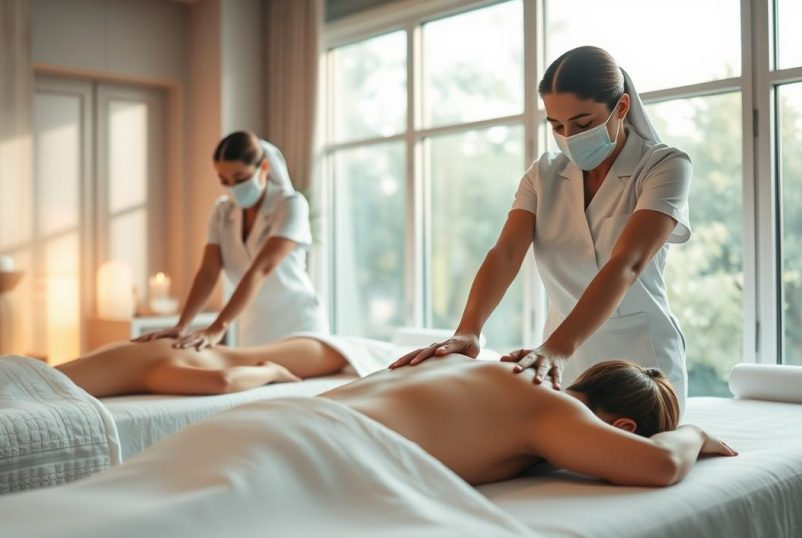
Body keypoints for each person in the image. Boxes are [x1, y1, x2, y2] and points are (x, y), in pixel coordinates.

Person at [391, 46, 693, 405]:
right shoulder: (544, 174)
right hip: (558, 360)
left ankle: (691, 439)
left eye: (583, 124)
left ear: (622, 108)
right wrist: (469, 330)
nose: (569, 136)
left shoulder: (663, 166)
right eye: (557, 125)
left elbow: (625, 264)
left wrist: (557, 348)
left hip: (639, 367)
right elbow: (505, 253)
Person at [55, 338, 734, 486]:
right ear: (615, 422)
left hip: (271, 422)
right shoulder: (555, 414)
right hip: (305, 455)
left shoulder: (478, 361)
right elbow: (655, 466)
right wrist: (695, 433)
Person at [135, 131, 327, 349]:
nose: (233, 187)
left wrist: (217, 328)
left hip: (298, 322)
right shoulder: (222, 212)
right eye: (224, 180)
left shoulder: (290, 205)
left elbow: (261, 269)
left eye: (240, 178)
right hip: (255, 327)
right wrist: (182, 325)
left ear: (263, 168)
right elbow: (208, 271)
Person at [55, 337, 346, 398]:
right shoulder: (154, 366)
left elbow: (223, 381)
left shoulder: (158, 367)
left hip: (46, 375)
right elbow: (224, 380)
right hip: (43, 375)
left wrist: (271, 372)